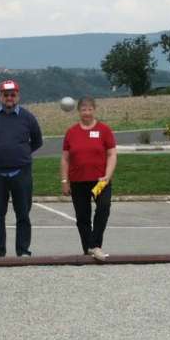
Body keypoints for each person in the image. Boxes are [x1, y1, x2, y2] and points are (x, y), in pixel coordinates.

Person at [0, 80, 43, 257]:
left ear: (18, 96)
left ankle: (23, 250)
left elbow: (37, 141)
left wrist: (22, 154)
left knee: (23, 214)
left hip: (22, 173)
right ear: (0, 96)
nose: (9, 98)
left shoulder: (27, 117)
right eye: (6, 95)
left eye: (12, 94)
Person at [60, 96, 117, 260]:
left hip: (100, 181)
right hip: (78, 181)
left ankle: (95, 245)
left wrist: (108, 175)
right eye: (83, 109)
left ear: (94, 110)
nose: (87, 113)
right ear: (79, 111)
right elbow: (65, 158)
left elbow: (112, 154)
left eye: (90, 109)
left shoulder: (103, 130)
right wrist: (64, 180)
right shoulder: (72, 132)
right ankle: (88, 249)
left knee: (103, 208)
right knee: (82, 216)